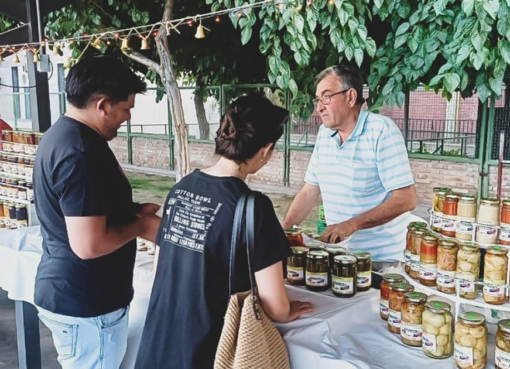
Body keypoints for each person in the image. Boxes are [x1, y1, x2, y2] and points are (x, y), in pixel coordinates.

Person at [135, 94, 315, 369]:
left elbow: (163, 263)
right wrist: (287, 311)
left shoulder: (181, 189)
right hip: (209, 350)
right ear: (265, 151)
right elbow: (275, 306)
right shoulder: (254, 207)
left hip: (159, 343)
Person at [33, 55, 160, 369]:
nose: (127, 117)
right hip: (86, 304)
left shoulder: (62, 136)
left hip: (72, 294)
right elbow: (88, 245)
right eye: (126, 108)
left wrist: (127, 210)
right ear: (103, 105)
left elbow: (77, 207)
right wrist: (140, 226)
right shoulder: (80, 152)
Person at [282, 65, 416, 261]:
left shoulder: (382, 131)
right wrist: (284, 230)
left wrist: (352, 224)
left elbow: (406, 199)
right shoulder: (324, 134)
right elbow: (309, 190)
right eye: (318, 99)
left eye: (326, 97)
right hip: (338, 253)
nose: (319, 107)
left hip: (380, 260)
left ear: (351, 97)